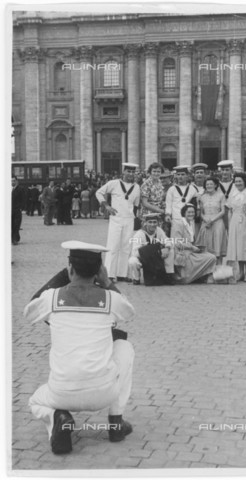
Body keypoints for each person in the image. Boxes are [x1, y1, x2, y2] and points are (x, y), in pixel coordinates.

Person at [24, 241, 135, 455]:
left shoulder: (52, 298)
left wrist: (62, 276)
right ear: (99, 271)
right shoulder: (110, 299)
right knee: (125, 347)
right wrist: (108, 283)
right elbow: (129, 313)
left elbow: (29, 312)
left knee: (35, 401)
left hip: (62, 393)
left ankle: (59, 417)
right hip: (104, 393)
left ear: (70, 268)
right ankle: (115, 423)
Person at [96, 163, 141, 283]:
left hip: (129, 219)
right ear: (123, 172)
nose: (131, 174)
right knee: (113, 246)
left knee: (126, 247)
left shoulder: (136, 187)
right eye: (129, 172)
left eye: (133, 172)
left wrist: (135, 217)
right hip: (116, 218)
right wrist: (106, 206)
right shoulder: (114, 183)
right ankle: (110, 274)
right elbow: (99, 192)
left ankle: (122, 274)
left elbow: (136, 204)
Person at [171, 203, 217, 284]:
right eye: (189, 212)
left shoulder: (191, 224)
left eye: (193, 212)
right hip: (182, 254)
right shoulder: (178, 224)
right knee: (210, 258)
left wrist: (197, 247)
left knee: (212, 257)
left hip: (190, 253)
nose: (191, 214)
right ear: (184, 213)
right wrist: (192, 247)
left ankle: (203, 277)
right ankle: (190, 277)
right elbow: (177, 242)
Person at [226, 172, 246, 282]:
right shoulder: (232, 194)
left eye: (240, 181)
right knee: (237, 247)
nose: (238, 183)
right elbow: (230, 210)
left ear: (245, 181)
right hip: (235, 221)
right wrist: (230, 223)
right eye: (236, 181)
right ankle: (240, 272)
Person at [128, 213, 175, 285]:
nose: (152, 224)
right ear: (145, 223)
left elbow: (167, 240)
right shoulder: (139, 234)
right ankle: (136, 278)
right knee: (132, 261)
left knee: (171, 251)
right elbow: (135, 253)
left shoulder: (159, 230)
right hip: (143, 258)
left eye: (154, 222)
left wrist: (167, 248)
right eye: (150, 222)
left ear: (158, 223)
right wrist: (150, 250)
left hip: (156, 258)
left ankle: (169, 275)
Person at [196, 177, 227, 265]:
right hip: (206, 223)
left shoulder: (221, 195)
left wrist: (212, 220)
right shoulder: (202, 197)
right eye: (207, 184)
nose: (209, 186)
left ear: (216, 185)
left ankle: (219, 271)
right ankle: (209, 271)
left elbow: (223, 211)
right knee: (207, 246)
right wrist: (206, 220)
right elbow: (200, 212)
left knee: (218, 247)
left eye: (211, 184)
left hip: (217, 222)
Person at [165, 166, 198, 231]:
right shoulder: (172, 189)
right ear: (176, 176)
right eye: (178, 174)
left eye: (183, 174)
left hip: (189, 219)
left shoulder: (192, 189)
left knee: (189, 239)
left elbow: (195, 203)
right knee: (177, 239)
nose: (180, 176)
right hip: (176, 218)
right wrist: (168, 214)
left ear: (187, 176)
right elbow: (168, 203)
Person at [11, 175, 25, 245]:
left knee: (16, 225)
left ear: (16, 181)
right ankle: (14, 237)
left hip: (17, 210)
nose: (12, 182)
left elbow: (23, 199)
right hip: (9, 210)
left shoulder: (20, 189)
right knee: (11, 225)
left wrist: (21, 208)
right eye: (11, 181)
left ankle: (14, 239)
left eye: (14, 180)